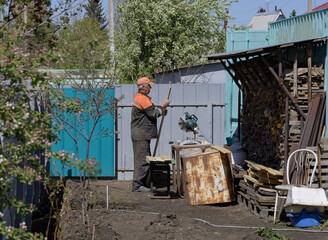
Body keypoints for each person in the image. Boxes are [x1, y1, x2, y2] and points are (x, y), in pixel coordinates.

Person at [131, 77, 170, 192]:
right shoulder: (142, 99)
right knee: (142, 160)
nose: (150, 88)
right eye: (149, 86)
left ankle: (142, 183)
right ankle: (137, 185)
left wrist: (161, 110)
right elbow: (153, 114)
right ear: (143, 87)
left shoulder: (142, 98)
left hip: (141, 134)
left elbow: (151, 112)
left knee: (143, 158)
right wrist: (162, 106)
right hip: (141, 135)